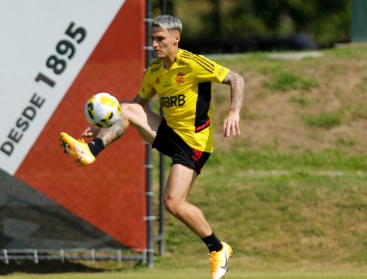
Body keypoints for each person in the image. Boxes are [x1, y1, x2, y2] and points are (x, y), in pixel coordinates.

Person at [60, 15, 244, 279]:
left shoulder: (193, 64)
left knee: (173, 203)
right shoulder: (155, 71)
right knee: (128, 108)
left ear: (176, 39)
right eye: (152, 39)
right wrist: (101, 127)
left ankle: (218, 249)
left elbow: (236, 79)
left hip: (194, 142)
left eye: (160, 39)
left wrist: (233, 112)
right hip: (170, 133)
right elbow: (136, 105)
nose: (155, 44)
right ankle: (91, 149)